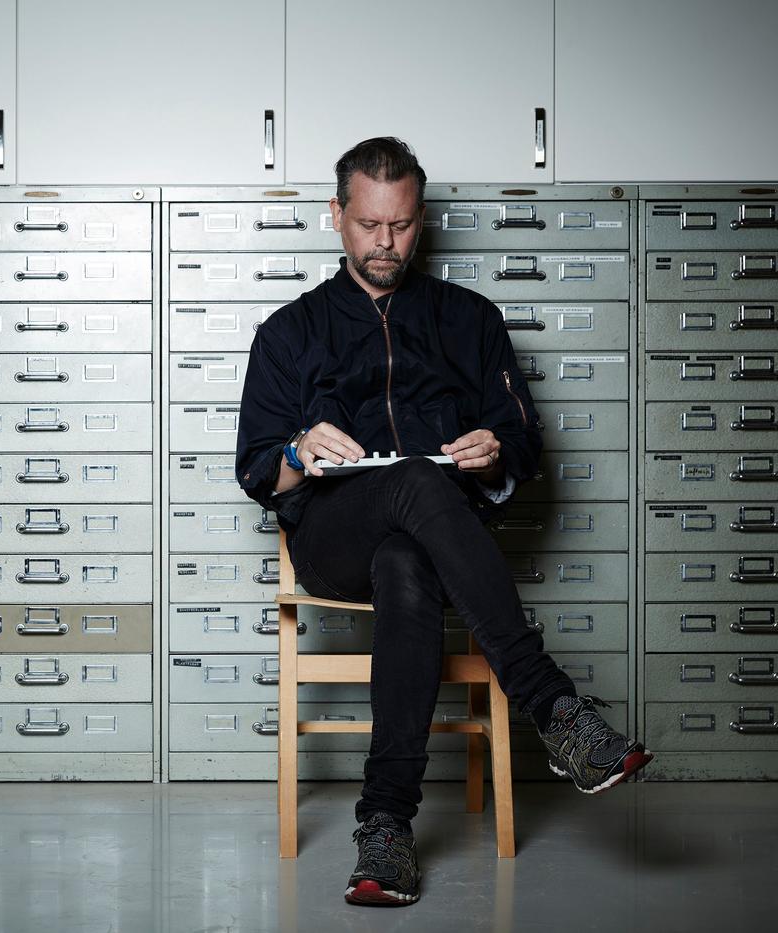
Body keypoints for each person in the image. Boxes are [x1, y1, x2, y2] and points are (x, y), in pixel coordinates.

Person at [235, 137, 652, 907]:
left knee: (408, 556)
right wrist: (298, 446)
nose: (384, 243)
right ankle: (554, 705)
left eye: (399, 226)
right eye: (367, 225)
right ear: (336, 217)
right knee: (411, 486)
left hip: (431, 544)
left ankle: (385, 828)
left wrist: (494, 452)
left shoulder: (471, 320)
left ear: (420, 220)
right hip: (332, 536)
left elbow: (523, 443)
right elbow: (257, 469)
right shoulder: (288, 333)